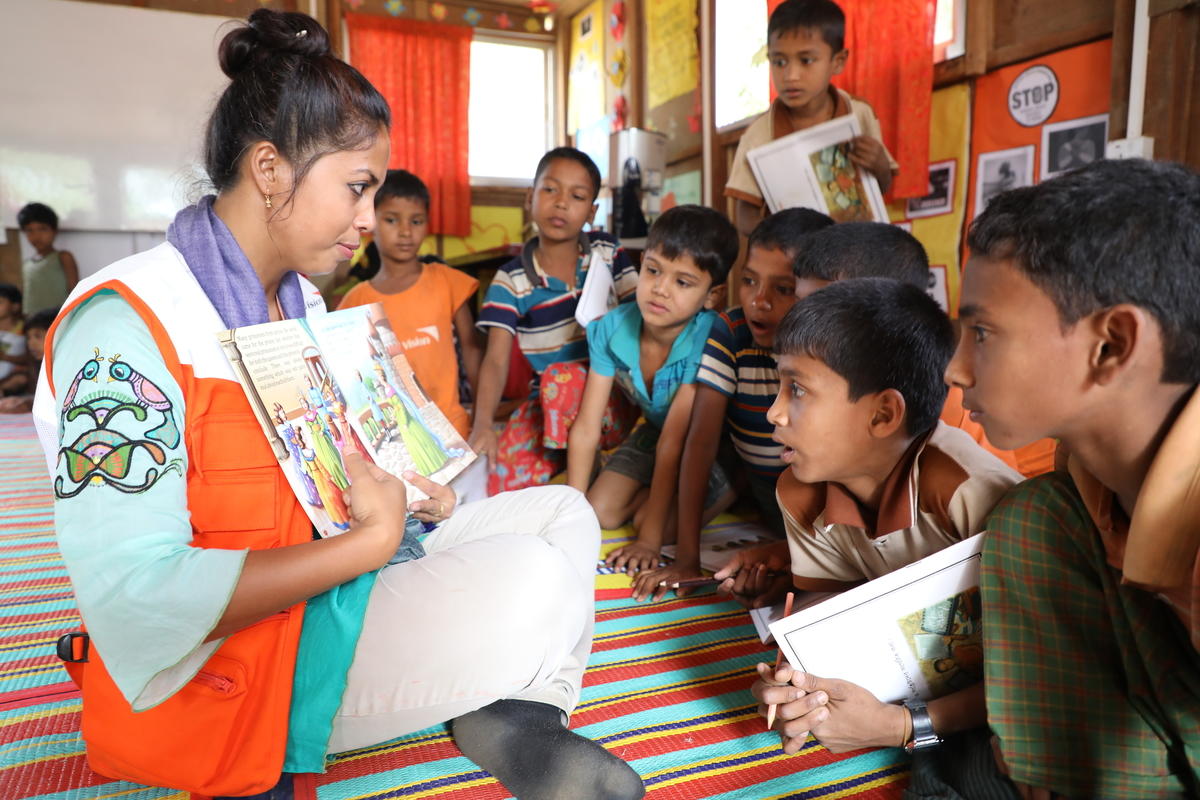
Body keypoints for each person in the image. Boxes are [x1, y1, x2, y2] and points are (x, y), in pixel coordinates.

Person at [31, 11, 643, 800]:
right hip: (239, 663)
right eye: (358, 188)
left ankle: (520, 713)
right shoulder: (127, 324)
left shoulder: (306, 312)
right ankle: (467, 688)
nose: (368, 219)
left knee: (565, 515)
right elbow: (135, 602)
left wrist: (408, 494)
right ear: (271, 170)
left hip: (334, 583)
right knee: (531, 577)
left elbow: (336, 481)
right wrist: (370, 541)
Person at [946, 158, 1200, 798]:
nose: (955, 368)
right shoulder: (1086, 475)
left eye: (982, 332)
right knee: (1035, 517)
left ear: (1111, 346)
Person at [744, 279, 1020, 758]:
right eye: (778, 386)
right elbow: (828, 597)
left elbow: (1037, 668)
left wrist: (901, 727)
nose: (774, 413)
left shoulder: (967, 493)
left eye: (798, 390)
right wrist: (800, 679)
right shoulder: (801, 490)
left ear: (883, 414)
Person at [627, 208, 833, 601]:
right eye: (750, 280)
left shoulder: (826, 347)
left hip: (814, 511)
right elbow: (700, 443)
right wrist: (687, 558)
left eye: (783, 289)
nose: (760, 300)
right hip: (763, 496)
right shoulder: (731, 331)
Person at [567, 205, 737, 570]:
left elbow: (676, 442)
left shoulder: (708, 337)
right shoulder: (610, 328)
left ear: (713, 295)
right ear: (641, 263)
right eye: (654, 271)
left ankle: (732, 486)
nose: (660, 289)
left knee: (651, 525)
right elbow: (586, 427)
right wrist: (569, 517)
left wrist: (648, 541)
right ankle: (648, 499)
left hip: (709, 447)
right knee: (599, 511)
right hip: (654, 433)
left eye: (683, 282)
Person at [471, 147, 639, 494]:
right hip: (545, 405)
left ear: (591, 212)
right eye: (550, 190)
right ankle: (568, 459)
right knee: (500, 485)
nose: (561, 203)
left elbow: (643, 318)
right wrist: (483, 424)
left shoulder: (606, 252)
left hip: (612, 396)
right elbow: (496, 359)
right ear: (530, 197)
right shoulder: (511, 278)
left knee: (563, 379)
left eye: (576, 196)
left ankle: (590, 467)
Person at [724, 0, 896, 237]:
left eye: (806, 60)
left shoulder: (859, 114)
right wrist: (785, 240)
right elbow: (744, 220)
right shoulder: (758, 135)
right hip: (790, 266)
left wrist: (880, 166)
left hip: (852, 253)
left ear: (838, 61)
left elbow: (881, 187)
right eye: (779, 62)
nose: (791, 76)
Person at [337, 170, 481, 439]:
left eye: (416, 221)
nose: (405, 231)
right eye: (392, 220)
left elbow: (472, 350)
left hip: (453, 428)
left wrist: (482, 418)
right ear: (371, 221)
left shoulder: (447, 281)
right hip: (400, 434)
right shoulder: (356, 301)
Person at [18, 202, 79, 312]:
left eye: (42, 229)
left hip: (56, 319)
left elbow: (74, 291)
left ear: (55, 231)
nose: (36, 236)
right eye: (29, 230)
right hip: (32, 321)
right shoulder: (27, 264)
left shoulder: (63, 257)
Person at [0, 306, 54, 413]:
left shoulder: (63, 366)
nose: (31, 344)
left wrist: (29, 404)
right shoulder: (37, 365)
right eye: (29, 338)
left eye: (37, 336)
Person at [0, 283, 27, 395]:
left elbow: (29, 358)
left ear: (15, 306)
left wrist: (5, 357)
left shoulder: (25, 329)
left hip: (11, 375)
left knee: (21, 379)